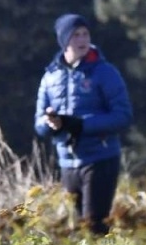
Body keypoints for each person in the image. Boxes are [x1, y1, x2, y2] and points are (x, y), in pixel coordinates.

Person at [34, 13, 134, 233]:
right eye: (75, 35)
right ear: (63, 41)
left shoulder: (105, 73)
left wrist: (80, 125)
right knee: (78, 231)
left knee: (94, 228)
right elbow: (39, 125)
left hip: (101, 159)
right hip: (68, 163)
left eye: (85, 34)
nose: (82, 40)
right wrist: (53, 123)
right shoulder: (49, 77)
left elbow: (123, 116)